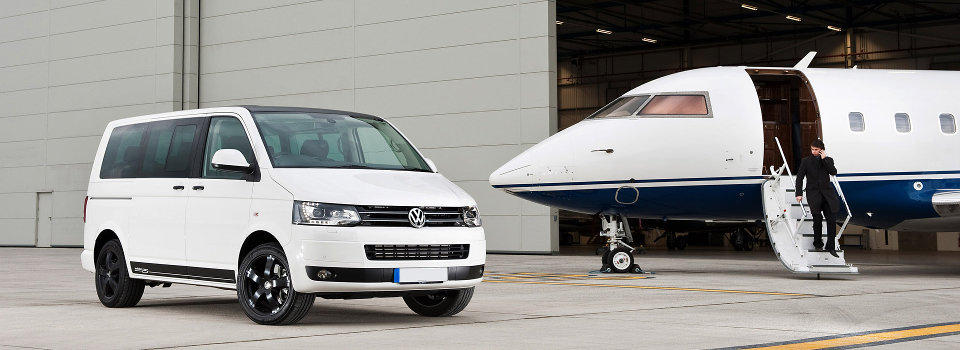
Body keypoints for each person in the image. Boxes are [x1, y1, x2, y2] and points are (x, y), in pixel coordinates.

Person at [795, 139, 839, 257]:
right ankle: (818, 244)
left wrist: (824, 159)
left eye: (816, 150)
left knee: (831, 220)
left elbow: (833, 172)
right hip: (813, 194)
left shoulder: (828, 160)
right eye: (812, 149)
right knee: (817, 220)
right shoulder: (806, 161)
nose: (813, 151)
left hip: (828, 195)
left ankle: (831, 247)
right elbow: (799, 178)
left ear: (821, 150)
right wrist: (798, 193)